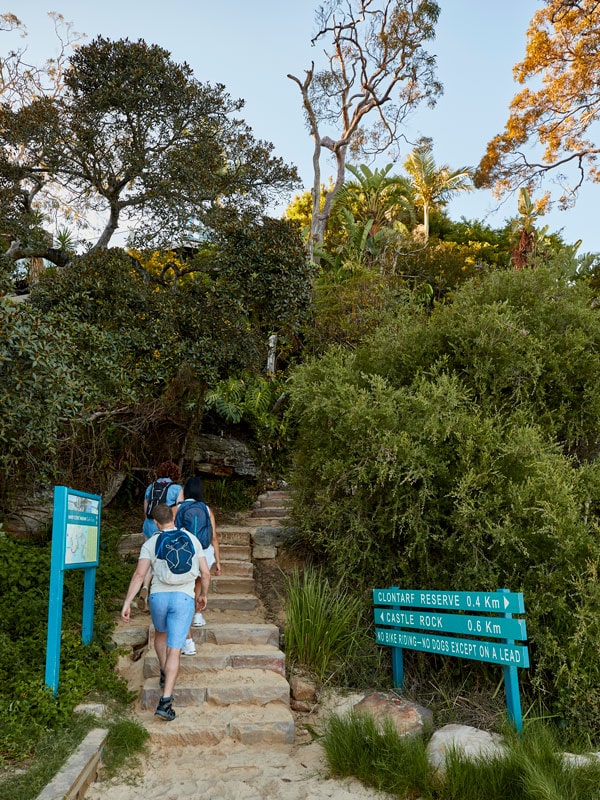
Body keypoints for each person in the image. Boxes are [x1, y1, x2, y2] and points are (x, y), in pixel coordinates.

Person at [121, 503, 210, 721]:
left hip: (158, 597)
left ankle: (163, 670)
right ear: (173, 517)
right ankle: (166, 701)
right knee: (175, 649)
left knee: (160, 634)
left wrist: (127, 603)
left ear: (154, 522)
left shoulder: (151, 543)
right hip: (183, 598)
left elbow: (140, 575)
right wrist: (203, 595)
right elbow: (205, 574)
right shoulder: (191, 538)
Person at [175, 476, 221, 654]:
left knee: (186, 587)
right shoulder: (206, 509)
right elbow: (214, 537)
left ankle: (187, 636)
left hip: (184, 552)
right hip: (203, 552)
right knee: (197, 584)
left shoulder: (177, 508)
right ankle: (198, 614)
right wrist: (218, 561)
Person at [139, 460, 184, 609]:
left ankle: (145, 586)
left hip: (149, 527)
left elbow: (146, 512)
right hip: (166, 527)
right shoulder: (177, 488)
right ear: (175, 474)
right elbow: (178, 511)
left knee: (149, 558)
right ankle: (162, 594)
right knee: (164, 559)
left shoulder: (150, 487)